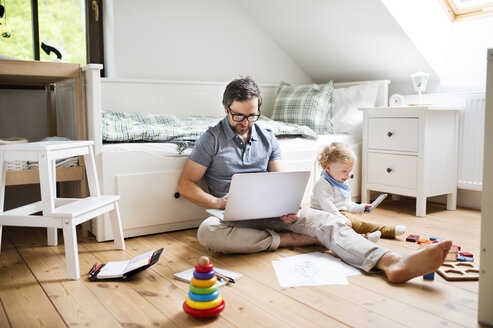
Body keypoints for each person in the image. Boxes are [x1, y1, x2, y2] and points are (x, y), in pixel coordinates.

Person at [177, 76, 452, 283]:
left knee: (330, 220)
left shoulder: (268, 137)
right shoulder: (211, 138)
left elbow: (282, 180)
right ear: (226, 108)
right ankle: (293, 241)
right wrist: (217, 201)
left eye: (252, 115)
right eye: (239, 115)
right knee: (207, 232)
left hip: (271, 213)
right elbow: (185, 184)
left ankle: (392, 262)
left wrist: (290, 205)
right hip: (230, 217)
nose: (245, 121)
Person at [311, 142, 406, 243]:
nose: (348, 175)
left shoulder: (343, 182)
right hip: (323, 216)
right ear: (328, 167)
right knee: (355, 225)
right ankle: (367, 237)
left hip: (338, 214)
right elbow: (328, 207)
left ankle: (388, 231)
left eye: (350, 170)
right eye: (344, 171)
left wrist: (361, 207)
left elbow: (347, 205)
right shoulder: (323, 184)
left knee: (358, 224)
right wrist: (342, 219)